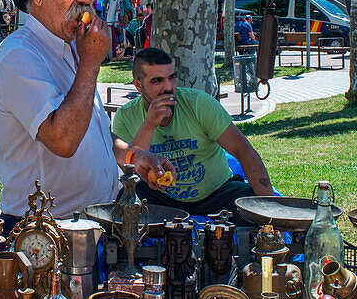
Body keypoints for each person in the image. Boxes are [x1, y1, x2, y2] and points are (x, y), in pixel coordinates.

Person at [0, 0, 174, 230]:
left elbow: (95, 131)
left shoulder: (75, 46)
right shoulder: (18, 54)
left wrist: (134, 156)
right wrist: (90, 63)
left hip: (95, 220)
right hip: (44, 231)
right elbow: (63, 140)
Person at [111, 47, 274, 218]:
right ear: (138, 85)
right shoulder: (126, 115)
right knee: (124, 207)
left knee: (252, 203)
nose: (168, 87)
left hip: (217, 194)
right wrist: (149, 124)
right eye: (157, 81)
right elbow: (131, 172)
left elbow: (243, 150)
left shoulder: (198, 104)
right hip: (161, 198)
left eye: (171, 78)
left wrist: (269, 209)